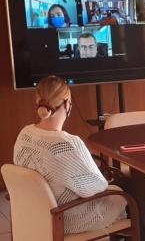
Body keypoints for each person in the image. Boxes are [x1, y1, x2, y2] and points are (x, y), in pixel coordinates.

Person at [13, 76, 127, 234]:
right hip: (65, 219)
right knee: (123, 194)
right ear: (67, 104)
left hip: (34, 215)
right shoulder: (66, 143)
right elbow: (98, 186)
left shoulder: (24, 134)